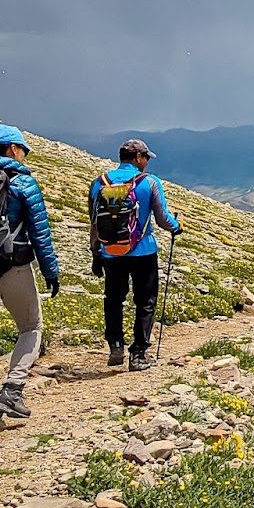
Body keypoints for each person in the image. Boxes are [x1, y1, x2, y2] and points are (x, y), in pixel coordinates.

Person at [0, 124, 61, 430]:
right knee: (31, 328)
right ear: (12, 149)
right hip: (11, 266)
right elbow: (39, 234)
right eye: (23, 149)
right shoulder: (21, 183)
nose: (26, 155)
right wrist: (50, 271)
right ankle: (12, 389)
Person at [89, 138, 181, 371]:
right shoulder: (149, 182)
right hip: (143, 251)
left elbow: (94, 221)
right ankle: (138, 354)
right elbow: (162, 218)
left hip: (111, 251)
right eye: (146, 157)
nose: (147, 162)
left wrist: (96, 252)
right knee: (145, 301)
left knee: (113, 299)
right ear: (138, 158)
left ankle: (115, 345)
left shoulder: (99, 182)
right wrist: (176, 227)